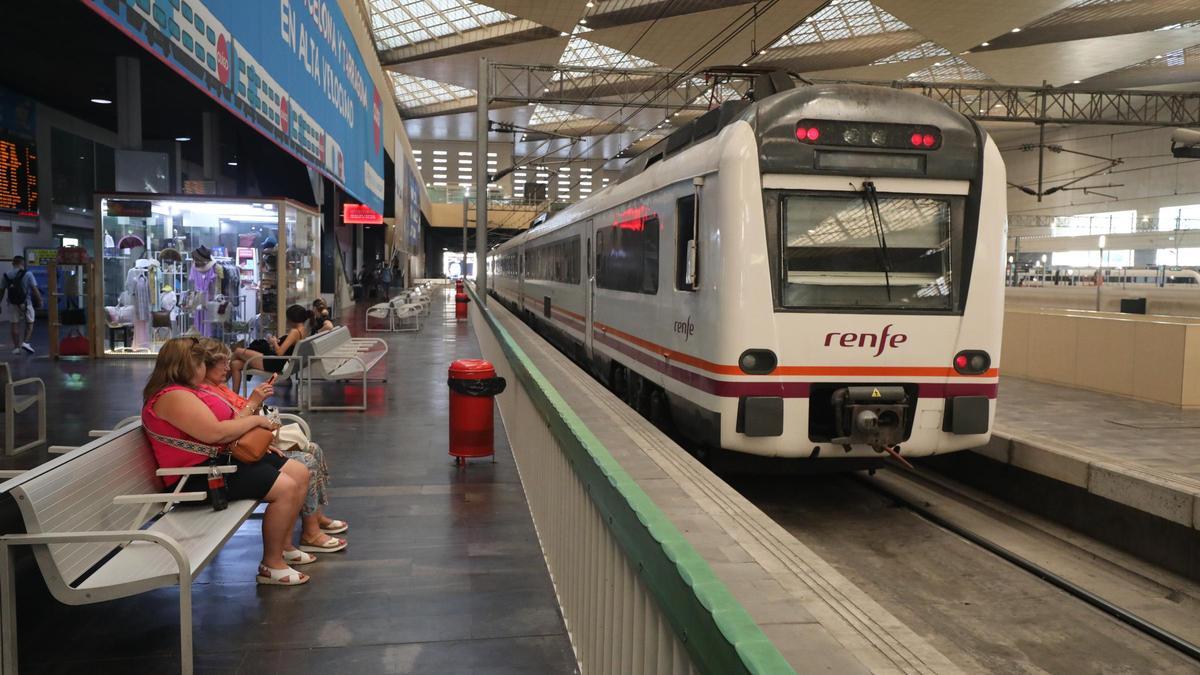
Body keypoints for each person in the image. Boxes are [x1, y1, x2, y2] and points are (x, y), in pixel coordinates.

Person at [141, 337, 313, 585]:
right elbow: (215, 433)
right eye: (201, 363)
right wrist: (257, 421)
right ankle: (271, 564)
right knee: (285, 488)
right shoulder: (174, 396)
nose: (204, 368)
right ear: (188, 365)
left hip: (214, 464)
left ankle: (284, 546)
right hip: (192, 477)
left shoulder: (183, 392)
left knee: (298, 472)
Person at [197, 339, 348, 553]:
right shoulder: (208, 395)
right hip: (243, 448)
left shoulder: (218, 389)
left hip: (252, 441)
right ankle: (310, 531)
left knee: (313, 450)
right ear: (204, 366)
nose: (226, 368)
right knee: (307, 460)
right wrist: (255, 401)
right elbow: (229, 427)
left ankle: (313, 516)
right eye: (221, 363)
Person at [228, 305, 312, 390]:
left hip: (274, 363)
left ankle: (222, 382)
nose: (286, 321)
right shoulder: (303, 330)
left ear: (291, 319)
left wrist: (274, 342)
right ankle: (234, 396)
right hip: (279, 362)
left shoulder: (294, 332)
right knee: (235, 365)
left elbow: (279, 353)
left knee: (238, 351)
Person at [1, 256, 41, 354]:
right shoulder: (28, 274)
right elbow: (34, 289)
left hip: (12, 303)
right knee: (30, 322)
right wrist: (39, 300)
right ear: (23, 263)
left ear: (13, 263)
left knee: (14, 324)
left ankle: (16, 347)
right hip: (26, 303)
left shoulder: (6, 275)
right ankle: (25, 342)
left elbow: (1, 291)